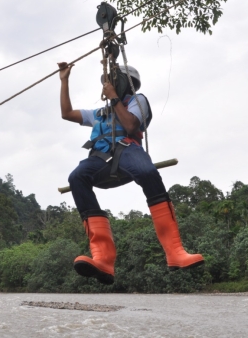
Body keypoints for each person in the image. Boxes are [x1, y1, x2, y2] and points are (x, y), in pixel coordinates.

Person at [58, 61, 204, 285]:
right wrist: (64, 80)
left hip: (127, 150)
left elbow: (129, 126)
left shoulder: (138, 101)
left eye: (115, 82)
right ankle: (103, 258)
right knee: (77, 177)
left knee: (147, 171)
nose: (110, 86)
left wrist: (115, 97)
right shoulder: (100, 113)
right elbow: (67, 113)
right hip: (102, 159)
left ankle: (175, 251)